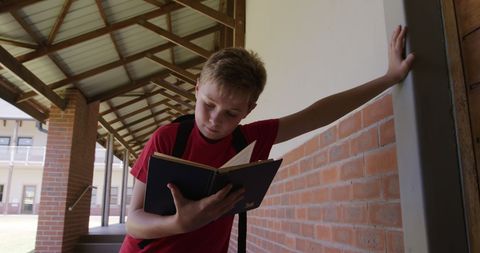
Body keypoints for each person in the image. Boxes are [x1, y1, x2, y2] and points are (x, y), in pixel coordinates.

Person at [120, 25, 415, 252]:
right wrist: (179, 223)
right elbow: (133, 220)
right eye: (208, 105)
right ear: (196, 89)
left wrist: (389, 78)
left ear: (249, 110)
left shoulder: (250, 139)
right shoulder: (168, 138)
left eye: (231, 113)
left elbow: (318, 114)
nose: (215, 120)